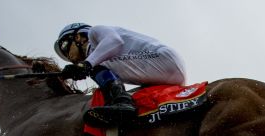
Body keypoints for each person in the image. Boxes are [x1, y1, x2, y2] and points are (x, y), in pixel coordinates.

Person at [54, 23, 187, 127]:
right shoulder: (100, 55)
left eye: (65, 46)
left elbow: (115, 41)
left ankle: (123, 103)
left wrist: (87, 64)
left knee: (96, 67)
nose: (69, 56)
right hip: (165, 72)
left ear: (77, 37)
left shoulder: (95, 32)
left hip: (165, 60)